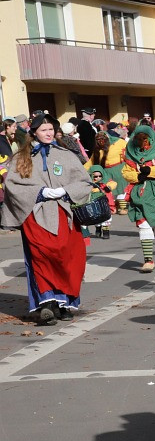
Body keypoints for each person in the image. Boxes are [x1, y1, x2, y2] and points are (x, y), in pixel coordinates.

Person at [0, 113, 92, 325]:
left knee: (67, 257)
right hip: (35, 214)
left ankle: (65, 303)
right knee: (42, 256)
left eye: (51, 129)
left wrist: (65, 191)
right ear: (34, 132)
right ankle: (47, 303)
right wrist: (40, 192)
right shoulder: (22, 157)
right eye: (44, 130)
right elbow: (12, 185)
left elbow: (84, 182)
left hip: (63, 214)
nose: (48, 133)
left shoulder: (66, 154)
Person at [122, 125, 155, 272]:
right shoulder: (130, 153)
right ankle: (148, 260)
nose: (142, 141)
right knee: (143, 225)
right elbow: (126, 172)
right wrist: (137, 176)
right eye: (138, 138)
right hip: (140, 191)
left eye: (144, 138)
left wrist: (150, 170)